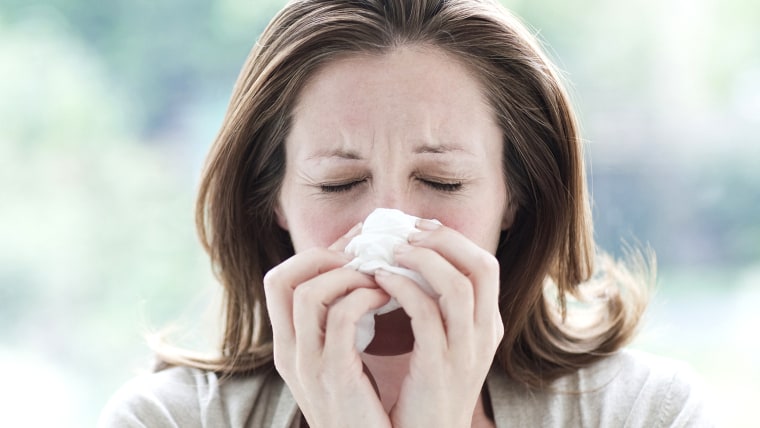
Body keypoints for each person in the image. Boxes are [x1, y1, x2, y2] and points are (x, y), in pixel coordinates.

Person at [99, 0, 712, 426]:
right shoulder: (166, 419)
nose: (386, 226)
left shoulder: (642, 413)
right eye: (339, 183)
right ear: (274, 202)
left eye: (442, 182)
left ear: (514, 198)